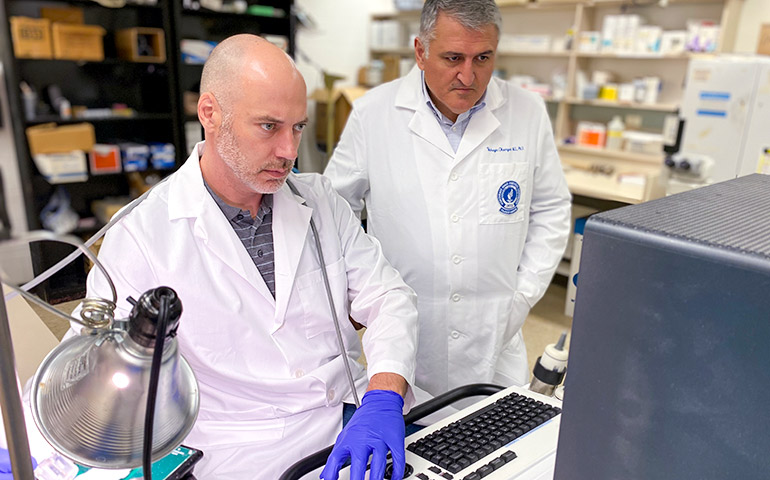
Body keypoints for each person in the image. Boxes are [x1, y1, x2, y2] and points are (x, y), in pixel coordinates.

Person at [76, 34, 418, 480]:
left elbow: (389, 296)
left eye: (298, 127)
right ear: (210, 114)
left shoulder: (319, 200)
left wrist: (384, 397)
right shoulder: (141, 231)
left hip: (352, 422)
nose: (289, 151)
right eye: (268, 126)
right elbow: (92, 374)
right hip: (244, 453)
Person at [324, 0, 571, 406]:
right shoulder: (374, 113)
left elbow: (551, 209)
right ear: (420, 51)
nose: (468, 75)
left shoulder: (526, 112)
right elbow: (338, 212)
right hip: (409, 334)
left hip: (495, 331)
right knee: (415, 451)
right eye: (453, 57)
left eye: (483, 58)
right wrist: (363, 295)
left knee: (494, 453)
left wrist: (522, 295)